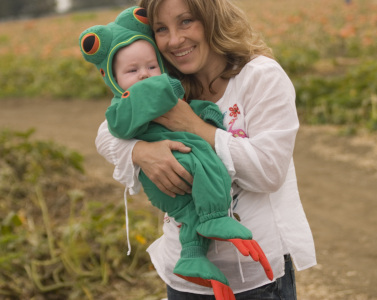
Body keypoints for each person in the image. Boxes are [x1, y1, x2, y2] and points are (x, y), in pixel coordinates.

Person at [95, 0, 317, 299]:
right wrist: (142, 152)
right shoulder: (166, 82)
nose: (174, 40)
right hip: (184, 275)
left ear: (212, 18)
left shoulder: (260, 76)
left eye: (186, 21)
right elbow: (105, 134)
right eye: (161, 28)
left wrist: (195, 126)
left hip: (255, 278)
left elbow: (270, 172)